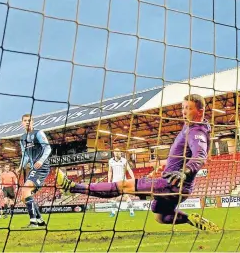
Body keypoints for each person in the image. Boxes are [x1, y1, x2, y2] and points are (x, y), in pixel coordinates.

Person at [56, 94, 220, 232]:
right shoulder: (190, 127)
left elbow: (200, 155)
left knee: (123, 186)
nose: (183, 111)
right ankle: (190, 218)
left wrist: (185, 171)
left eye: (188, 108)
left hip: (172, 184)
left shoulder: (196, 130)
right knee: (160, 216)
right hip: (178, 187)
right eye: (182, 107)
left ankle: (72, 187)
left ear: (200, 111)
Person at [17, 114, 51, 228]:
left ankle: (33, 222)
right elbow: (25, 155)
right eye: (25, 120)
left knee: (26, 189)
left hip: (42, 166)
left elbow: (48, 148)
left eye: (29, 120)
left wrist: (41, 161)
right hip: (33, 168)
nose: (27, 122)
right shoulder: (22, 138)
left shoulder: (38, 133)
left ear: (33, 122)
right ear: (22, 123)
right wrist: (20, 166)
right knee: (24, 197)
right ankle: (40, 220)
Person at [108, 149, 136, 217]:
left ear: (120, 152)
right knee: (114, 197)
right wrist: (109, 180)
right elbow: (110, 171)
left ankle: (131, 211)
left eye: (118, 152)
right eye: (115, 152)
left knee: (126, 196)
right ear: (113, 153)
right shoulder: (110, 161)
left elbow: (129, 169)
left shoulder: (124, 160)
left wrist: (133, 178)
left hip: (123, 181)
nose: (116, 153)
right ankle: (113, 212)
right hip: (115, 182)